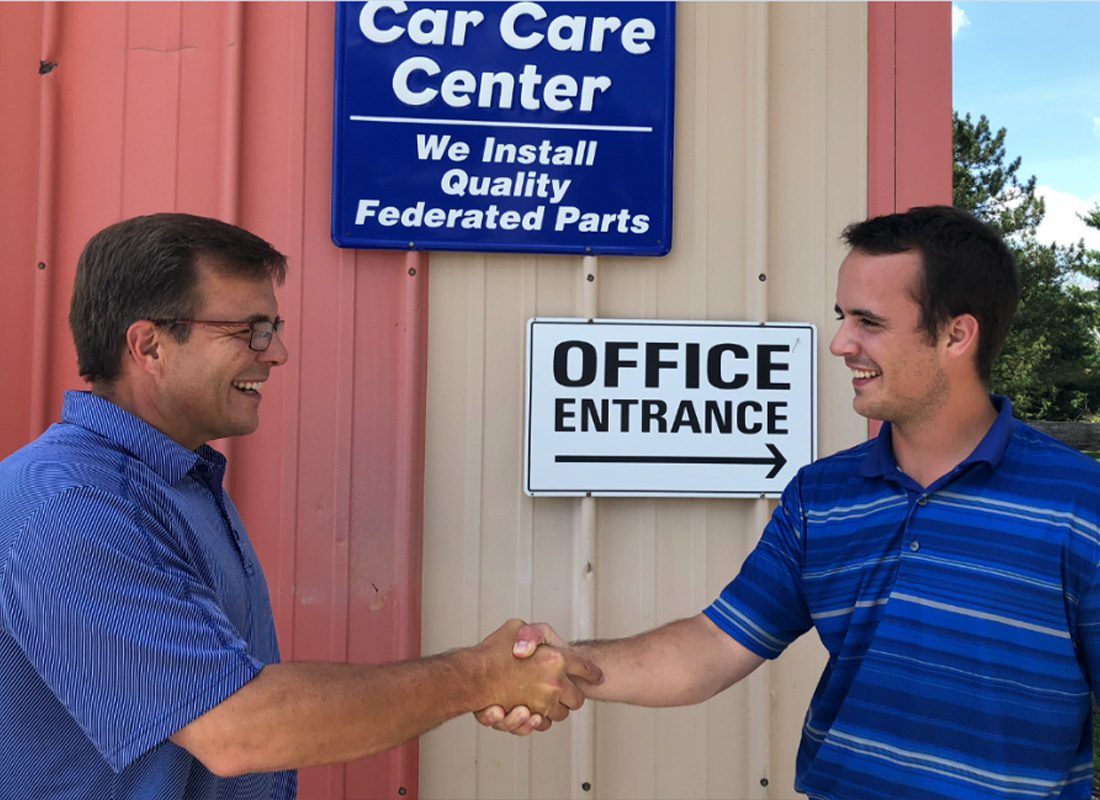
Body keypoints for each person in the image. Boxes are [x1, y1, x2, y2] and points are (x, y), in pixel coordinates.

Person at [480, 205, 1100, 800]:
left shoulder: (1079, 505)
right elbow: (713, 646)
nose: (840, 344)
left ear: (957, 334)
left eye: (869, 322)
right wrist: (567, 664)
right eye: (842, 316)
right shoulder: (820, 497)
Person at [0, 213, 601, 800]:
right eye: (251, 330)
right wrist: (479, 675)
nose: (278, 352)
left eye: (274, 328)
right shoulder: (68, 507)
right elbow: (238, 728)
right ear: (149, 345)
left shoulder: (172, 479)